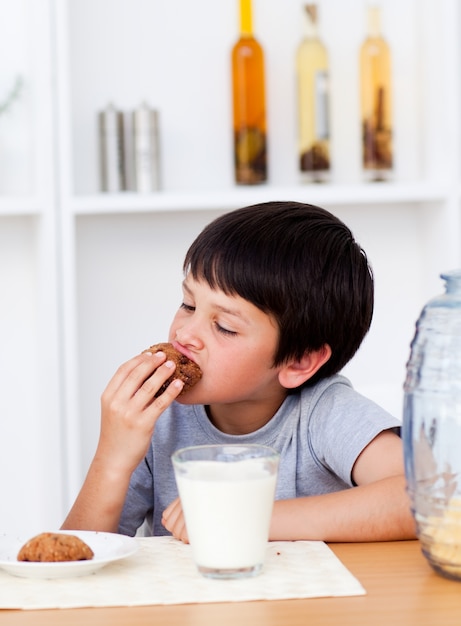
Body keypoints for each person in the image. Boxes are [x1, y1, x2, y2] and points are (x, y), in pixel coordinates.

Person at [62, 201, 416, 542]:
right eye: (188, 304)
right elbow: (74, 566)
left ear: (299, 362)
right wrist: (112, 456)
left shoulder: (323, 413)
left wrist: (251, 517)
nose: (185, 334)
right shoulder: (156, 418)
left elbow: (427, 497)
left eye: (225, 327)